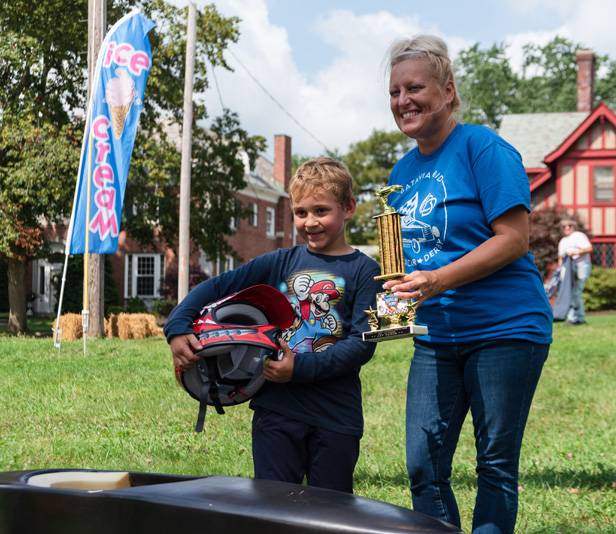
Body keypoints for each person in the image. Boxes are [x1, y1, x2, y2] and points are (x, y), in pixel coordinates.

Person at [382, 35, 552, 534]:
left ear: (448, 90)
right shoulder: (401, 171)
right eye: (394, 92)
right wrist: (396, 286)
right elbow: (405, 255)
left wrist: (437, 279)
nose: (403, 101)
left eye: (415, 87)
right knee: (422, 465)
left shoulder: (484, 148)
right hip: (436, 335)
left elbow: (514, 239)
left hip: (506, 328)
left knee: (495, 465)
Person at [164, 157, 381, 494]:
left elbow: (361, 345)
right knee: (272, 509)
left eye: (321, 211)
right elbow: (219, 285)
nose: (310, 222)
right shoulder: (280, 262)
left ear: (349, 207)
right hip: (276, 412)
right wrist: (177, 326)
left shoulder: (366, 271)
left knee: (332, 513)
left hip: (337, 417)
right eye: (301, 212)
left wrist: (300, 368)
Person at [557, 219, 593, 325]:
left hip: (580, 267)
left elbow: (589, 248)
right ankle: (577, 317)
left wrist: (576, 252)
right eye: (564, 226)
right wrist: (560, 270)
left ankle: (575, 317)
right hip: (567, 271)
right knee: (569, 292)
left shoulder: (578, 236)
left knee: (576, 292)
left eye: (569, 226)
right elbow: (560, 257)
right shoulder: (563, 241)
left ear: (574, 227)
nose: (567, 228)